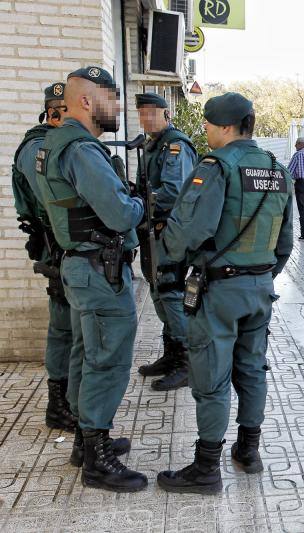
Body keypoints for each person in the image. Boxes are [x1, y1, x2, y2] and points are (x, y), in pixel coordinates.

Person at [156, 92, 293, 494]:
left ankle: (205, 468)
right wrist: (262, 274)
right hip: (260, 287)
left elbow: (191, 229)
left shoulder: (217, 166)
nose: (207, 132)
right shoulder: (275, 168)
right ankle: (248, 451)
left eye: (210, 126)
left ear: (228, 127)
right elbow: (284, 239)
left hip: (220, 290)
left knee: (212, 376)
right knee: (251, 369)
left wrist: (169, 258)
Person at [36, 66, 146, 492]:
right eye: (111, 98)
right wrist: (138, 203)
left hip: (81, 269)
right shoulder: (82, 150)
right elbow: (119, 213)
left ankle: (85, 440)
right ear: (87, 101)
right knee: (107, 360)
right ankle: (97, 460)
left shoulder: (54, 143)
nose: (117, 106)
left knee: (85, 355)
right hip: (98, 271)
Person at [11, 82, 76, 431]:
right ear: (53, 112)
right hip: (55, 244)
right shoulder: (36, 147)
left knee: (67, 324)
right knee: (62, 325)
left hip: (64, 242)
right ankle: (58, 403)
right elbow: (54, 196)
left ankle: (65, 399)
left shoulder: (53, 144)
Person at [133, 93, 198, 391]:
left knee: (171, 293)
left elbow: (171, 192)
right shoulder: (151, 145)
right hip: (152, 230)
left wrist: (137, 203)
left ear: (166, 113)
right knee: (159, 293)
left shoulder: (176, 146)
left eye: (151, 113)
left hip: (169, 231)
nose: (146, 119)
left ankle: (187, 363)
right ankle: (172, 355)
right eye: (141, 113)